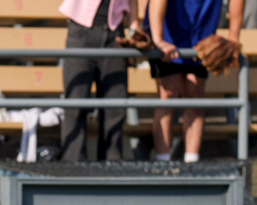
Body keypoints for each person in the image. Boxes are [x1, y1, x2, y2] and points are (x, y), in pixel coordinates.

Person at [149, 0, 243, 162]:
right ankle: (162, 165)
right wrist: (158, 39)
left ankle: (192, 164)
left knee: (196, 95)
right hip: (167, 30)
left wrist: (233, 39)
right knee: (168, 94)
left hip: (201, 31)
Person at [58, 0, 137, 161]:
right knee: (76, 102)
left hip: (116, 33)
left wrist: (134, 28)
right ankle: (72, 166)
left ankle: (111, 165)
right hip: (81, 30)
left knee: (115, 105)